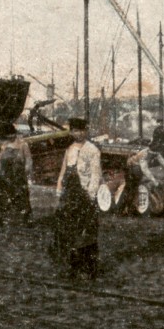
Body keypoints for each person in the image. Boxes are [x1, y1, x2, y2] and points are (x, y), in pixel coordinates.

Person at [53, 117, 102, 279]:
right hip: (69, 197)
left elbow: (96, 175)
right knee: (70, 233)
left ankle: (89, 269)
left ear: (86, 131)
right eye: (74, 130)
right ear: (71, 132)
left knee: (86, 233)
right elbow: (63, 172)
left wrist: (90, 195)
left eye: (81, 130)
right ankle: (73, 267)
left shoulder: (93, 150)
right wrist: (59, 192)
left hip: (86, 197)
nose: (78, 133)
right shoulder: (69, 150)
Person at [122, 145, 164, 215]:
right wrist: (154, 181)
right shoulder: (144, 154)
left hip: (138, 167)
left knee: (145, 179)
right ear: (149, 151)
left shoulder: (156, 154)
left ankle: (129, 206)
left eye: (156, 153)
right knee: (132, 187)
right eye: (153, 153)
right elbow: (144, 170)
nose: (155, 155)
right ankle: (126, 207)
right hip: (131, 167)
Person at [0, 126, 34, 225]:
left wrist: (27, 171)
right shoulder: (4, 145)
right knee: (4, 196)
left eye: (11, 135)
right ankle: (4, 218)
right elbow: (0, 160)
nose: (10, 137)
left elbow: (28, 159)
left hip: (18, 174)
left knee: (21, 196)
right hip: (5, 175)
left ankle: (24, 219)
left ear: (15, 133)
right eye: (8, 136)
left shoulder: (23, 144)